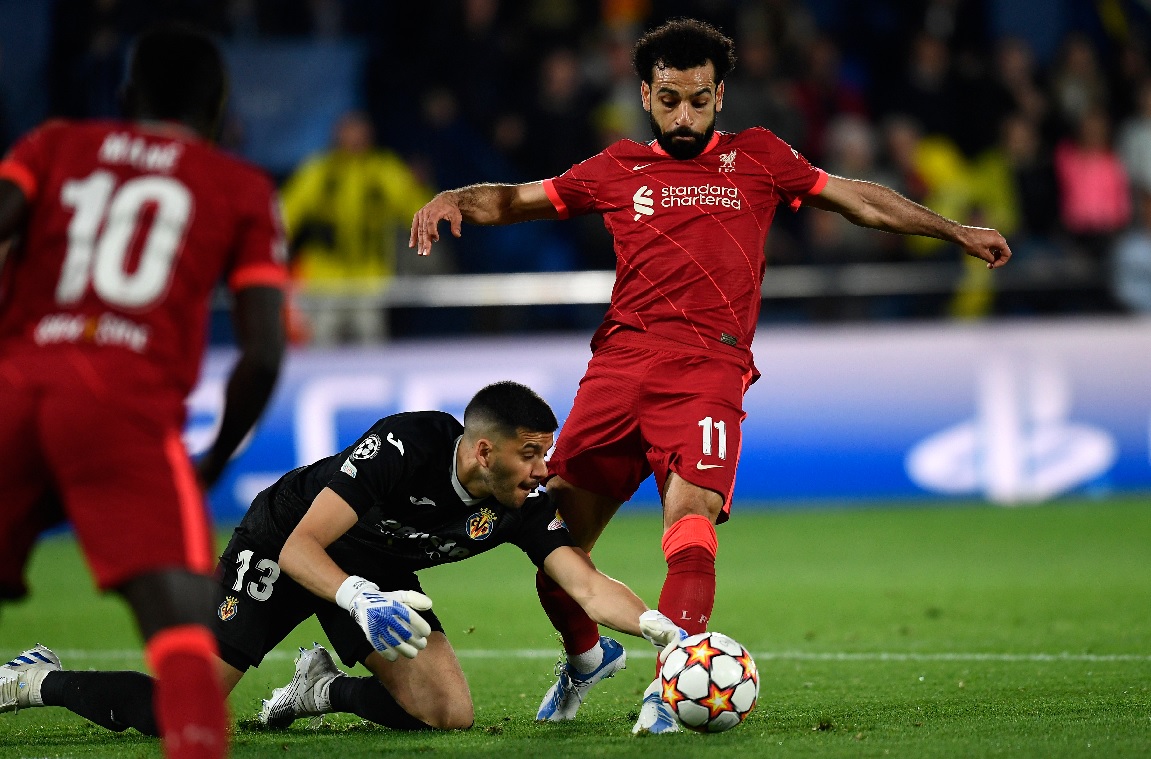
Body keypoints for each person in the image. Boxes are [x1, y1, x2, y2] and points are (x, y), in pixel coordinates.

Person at [410, 18, 1012, 735]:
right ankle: (584, 657)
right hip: (617, 369)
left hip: (707, 369)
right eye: (669, 100)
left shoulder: (759, 157)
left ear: (720, 94)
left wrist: (954, 230)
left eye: (698, 100)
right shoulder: (615, 167)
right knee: (555, 555)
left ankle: (672, 687)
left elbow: (857, 198)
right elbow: (515, 199)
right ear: (644, 94)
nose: (684, 116)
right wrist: (454, 198)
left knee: (689, 523)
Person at [0, 381, 685, 736]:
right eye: (530, 453)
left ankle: (319, 689)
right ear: (483, 450)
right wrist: (356, 597)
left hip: (373, 572)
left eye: (546, 451)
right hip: (289, 538)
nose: (544, 468)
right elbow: (304, 543)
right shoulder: (404, 445)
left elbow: (587, 586)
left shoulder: (523, 504)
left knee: (446, 712)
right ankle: (37, 678)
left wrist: (662, 628)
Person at [0, 23, 288, 759]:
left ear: (127, 98)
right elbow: (261, 352)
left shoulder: (54, 145)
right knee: (184, 634)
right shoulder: (240, 187)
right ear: (220, 113)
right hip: (121, 407)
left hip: (15, 380)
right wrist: (218, 452)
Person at [281, 110, 434, 345]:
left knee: (371, 346)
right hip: (323, 278)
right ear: (337, 134)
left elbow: (415, 208)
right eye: (348, 130)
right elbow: (286, 212)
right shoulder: (319, 170)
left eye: (359, 130)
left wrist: (422, 191)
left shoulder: (384, 169)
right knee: (320, 346)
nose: (354, 137)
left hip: (369, 279)